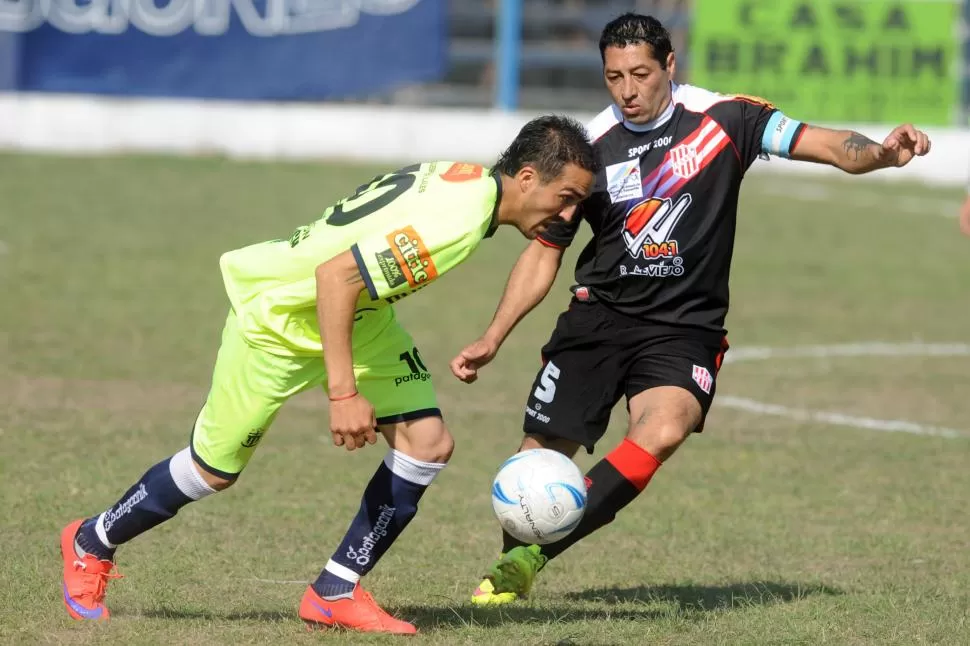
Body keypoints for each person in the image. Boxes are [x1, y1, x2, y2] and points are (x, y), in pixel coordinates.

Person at [450, 12, 932, 605]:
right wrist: (494, 335)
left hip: (685, 328)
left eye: (641, 73)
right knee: (536, 466)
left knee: (664, 428)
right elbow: (546, 251)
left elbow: (835, 147)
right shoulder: (592, 151)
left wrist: (884, 152)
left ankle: (523, 564)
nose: (628, 90)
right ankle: (515, 559)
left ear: (669, 66)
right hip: (599, 318)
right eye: (613, 76)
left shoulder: (727, 118)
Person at [59, 115, 598, 634]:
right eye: (566, 197)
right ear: (527, 178)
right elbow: (335, 276)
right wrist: (344, 393)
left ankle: (335, 590)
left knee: (427, 444)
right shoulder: (457, 221)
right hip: (284, 319)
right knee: (212, 472)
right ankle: (91, 540)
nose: (569, 215)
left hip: (361, 317)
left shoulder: (468, 181)